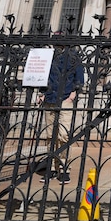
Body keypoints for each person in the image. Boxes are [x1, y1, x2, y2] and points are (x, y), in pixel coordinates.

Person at [37, 42, 85, 184]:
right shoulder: (49, 57)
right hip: (50, 96)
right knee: (50, 135)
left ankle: (64, 167)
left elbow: (79, 76)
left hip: (65, 97)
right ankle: (52, 167)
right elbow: (43, 74)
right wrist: (42, 92)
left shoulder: (73, 57)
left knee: (63, 134)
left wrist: (74, 92)